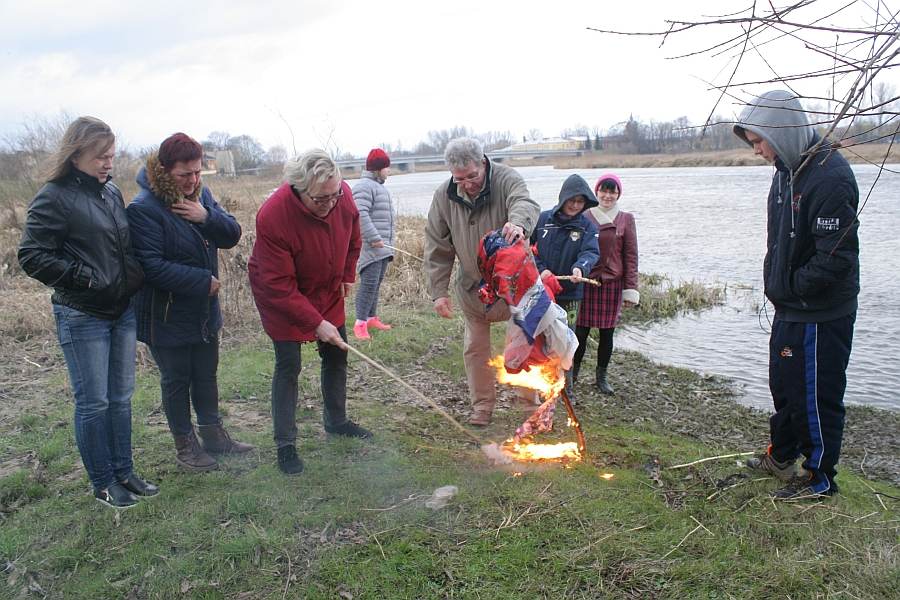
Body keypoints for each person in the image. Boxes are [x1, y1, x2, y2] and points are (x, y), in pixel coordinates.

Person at [18, 116, 156, 508]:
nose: (107, 163)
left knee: (121, 397)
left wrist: (132, 276)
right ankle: (103, 482)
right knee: (93, 402)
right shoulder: (54, 196)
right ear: (76, 153)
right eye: (100, 156)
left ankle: (125, 472)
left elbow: (120, 247)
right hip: (82, 314)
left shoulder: (110, 192)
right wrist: (82, 277)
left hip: (121, 310)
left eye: (111, 156)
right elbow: (31, 255)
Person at [733, 90, 859, 499]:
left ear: (781, 132)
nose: (757, 152)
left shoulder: (830, 176)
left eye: (759, 142)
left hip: (821, 312)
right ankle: (781, 456)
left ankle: (820, 478)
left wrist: (791, 287)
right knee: (785, 387)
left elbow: (836, 257)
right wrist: (780, 288)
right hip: (790, 307)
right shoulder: (787, 171)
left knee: (816, 396)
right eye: (753, 144)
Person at [127, 132, 252, 473]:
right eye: (185, 175)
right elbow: (151, 267)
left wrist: (205, 217)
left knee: (206, 374)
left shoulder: (201, 196)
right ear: (164, 171)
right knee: (177, 380)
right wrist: (202, 282)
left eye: (198, 172)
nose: (193, 180)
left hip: (202, 311)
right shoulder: (143, 209)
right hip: (166, 315)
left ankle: (213, 435)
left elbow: (232, 234)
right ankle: (186, 447)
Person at [248, 149, 371, 476]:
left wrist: (346, 274)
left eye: (335, 195)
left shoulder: (340, 196)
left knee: (336, 354)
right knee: (288, 364)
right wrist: (316, 323)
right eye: (320, 199)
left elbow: (354, 237)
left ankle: (337, 421)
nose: (330, 203)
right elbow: (278, 285)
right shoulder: (273, 215)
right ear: (298, 189)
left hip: (326, 286)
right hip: (283, 294)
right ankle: (285, 444)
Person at [424, 137, 541, 426]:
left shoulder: (507, 178)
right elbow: (437, 245)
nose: (467, 184)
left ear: (483, 163)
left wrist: (518, 223)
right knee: (475, 348)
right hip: (473, 289)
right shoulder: (443, 196)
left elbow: (524, 202)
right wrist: (438, 292)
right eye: (459, 178)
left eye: (472, 176)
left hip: (516, 286)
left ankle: (530, 405)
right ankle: (482, 407)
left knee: (522, 344)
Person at [530, 174, 600, 393]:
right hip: (543, 291)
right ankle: (543, 382)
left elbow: (591, 252)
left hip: (571, 294)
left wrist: (581, 268)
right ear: (563, 198)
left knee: (567, 339)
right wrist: (542, 270)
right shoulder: (542, 221)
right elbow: (528, 251)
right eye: (572, 200)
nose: (575, 205)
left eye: (580, 202)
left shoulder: (587, 226)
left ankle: (565, 386)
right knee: (542, 336)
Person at [573, 173, 639, 395]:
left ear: (618, 193)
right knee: (580, 332)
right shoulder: (585, 216)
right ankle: (572, 374)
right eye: (604, 190)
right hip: (586, 281)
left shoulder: (626, 219)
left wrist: (631, 289)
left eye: (613, 191)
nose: (608, 195)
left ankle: (601, 377)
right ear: (597, 191)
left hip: (612, 284)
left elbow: (631, 255)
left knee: (607, 334)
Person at [351, 148, 395, 340]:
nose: (389, 171)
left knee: (376, 284)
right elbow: (360, 214)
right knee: (368, 285)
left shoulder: (379, 186)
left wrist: (385, 242)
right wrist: (373, 237)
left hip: (383, 246)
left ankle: (371, 318)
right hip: (371, 246)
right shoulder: (364, 186)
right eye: (386, 168)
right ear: (377, 169)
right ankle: (359, 323)